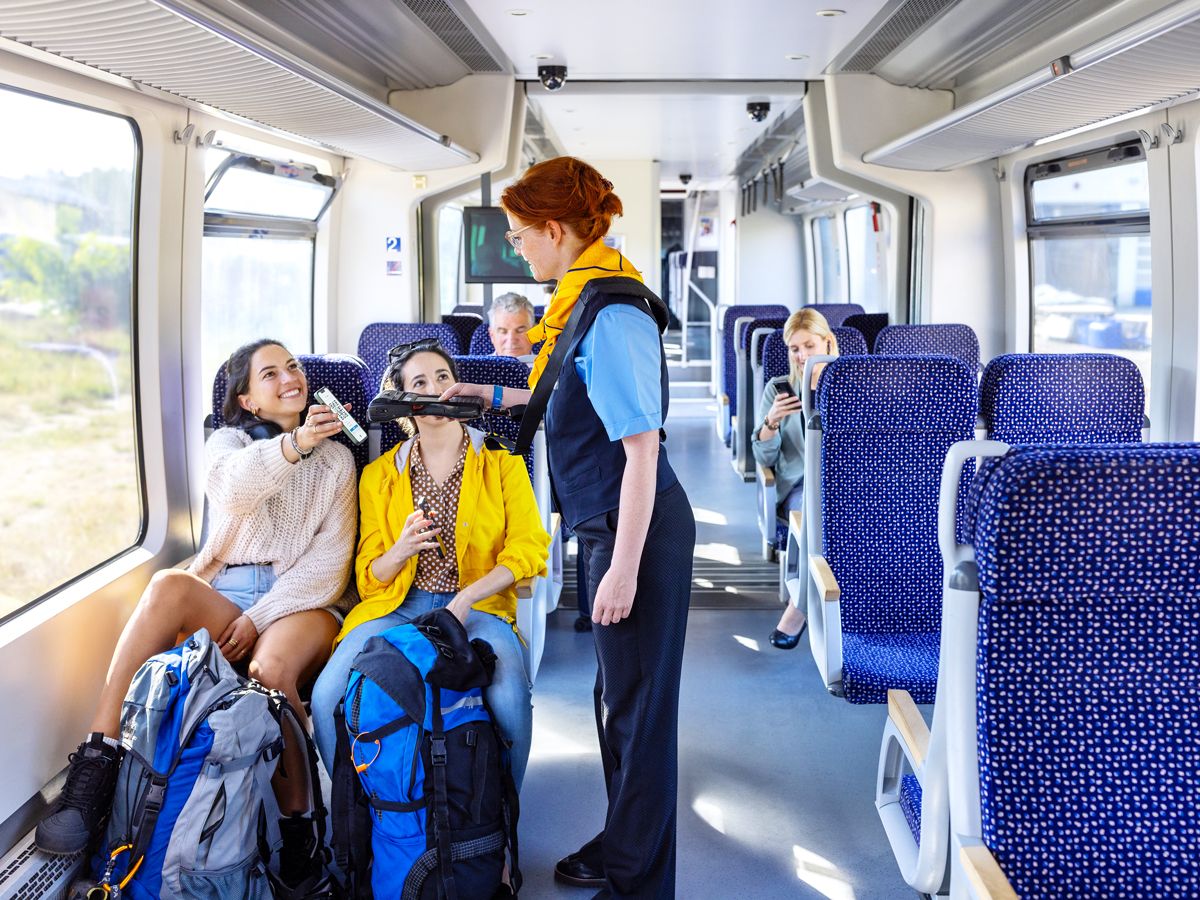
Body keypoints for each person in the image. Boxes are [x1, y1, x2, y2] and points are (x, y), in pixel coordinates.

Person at [444, 156, 695, 900]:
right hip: (607, 522)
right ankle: (625, 842)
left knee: (641, 715)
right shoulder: (577, 300)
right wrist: (477, 390)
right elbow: (556, 394)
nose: (517, 249)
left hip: (635, 529)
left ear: (556, 229)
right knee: (617, 700)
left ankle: (639, 884)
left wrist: (622, 568)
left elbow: (643, 453)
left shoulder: (611, 314)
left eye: (521, 235)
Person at [36, 339, 357, 887]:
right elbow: (233, 494)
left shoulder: (339, 459)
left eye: (294, 368)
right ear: (248, 401)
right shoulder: (228, 444)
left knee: (269, 672)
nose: (290, 378)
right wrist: (294, 445)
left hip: (302, 602)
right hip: (227, 591)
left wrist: (260, 618)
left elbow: (328, 569)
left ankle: (303, 830)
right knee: (167, 586)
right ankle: (96, 764)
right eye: (270, 373)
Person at [310, 340, 549, 796]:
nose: (435, 392)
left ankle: (503, 822)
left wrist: (467, 596)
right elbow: (369, 576)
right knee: (327, 697)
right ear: (404, 401)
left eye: (442, 378)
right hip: (400, 605)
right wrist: (399, 550)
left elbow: (528, 549)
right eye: (419, 383)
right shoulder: (379, 476)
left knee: (509, 695)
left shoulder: (502, 463)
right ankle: (357, 823)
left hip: (478, 605)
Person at [752, 309, 839, 649]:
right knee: (813, 512)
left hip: (848, 484)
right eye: (794, 348)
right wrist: (770, 423)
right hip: (801, 485)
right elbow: (763, 459)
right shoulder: (779, 390)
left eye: (809, 345)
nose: (802, 356)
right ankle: (799, 607)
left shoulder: (853, 384)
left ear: (827, 342)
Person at [488, 291, 536, 358]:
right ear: (492, 335)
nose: (511, 339)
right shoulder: (477, 367)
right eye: (503, 332)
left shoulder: (552, 367)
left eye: (520, 331)